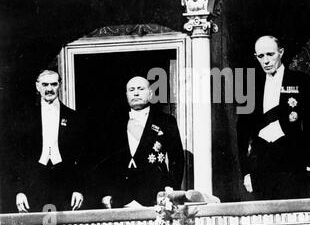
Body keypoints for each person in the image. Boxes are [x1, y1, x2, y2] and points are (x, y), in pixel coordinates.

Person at [237, 35, 310, 200]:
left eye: (270, 54)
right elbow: (242, 130)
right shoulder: (249, 85)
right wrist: (245, 171)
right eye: (261, 56)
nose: (266, 60)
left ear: (281, 52)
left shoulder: (301, 81)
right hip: (261, 163)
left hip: (293, 162)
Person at [99, 76, 185, 208]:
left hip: (155, 196)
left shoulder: (166, 121)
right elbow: (105, 160)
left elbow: (177, 158)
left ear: (150, 94)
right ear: (126, 95)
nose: (136, 93)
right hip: (120, 196)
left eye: (141, 89)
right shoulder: (113, 122)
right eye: (131, 90)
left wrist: (172, 188)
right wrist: (106, 192)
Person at [13, 70, 84, 212]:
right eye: (45, 84)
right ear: (37, 86)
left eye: (53, 84)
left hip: (65, 182)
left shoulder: (74, 117)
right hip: (34, 182)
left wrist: (78, 189)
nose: (49, 89)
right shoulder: (24, 117)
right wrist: (19, 191)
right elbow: (16, 157)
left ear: (60, 86)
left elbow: (81, 156)